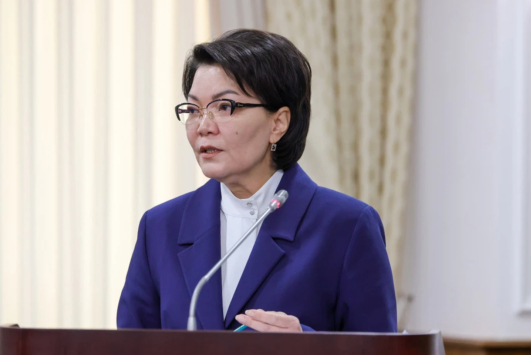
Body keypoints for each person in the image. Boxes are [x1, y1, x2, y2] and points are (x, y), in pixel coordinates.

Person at [117, 29, 396, 333]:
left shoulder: (347, 227)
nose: (203, 126)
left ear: (278, 123)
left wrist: (308, 347)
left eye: (224, 106)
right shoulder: (160, 228)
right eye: (194, 110)